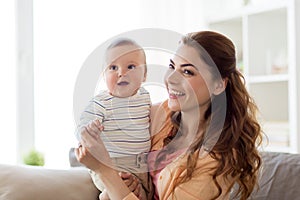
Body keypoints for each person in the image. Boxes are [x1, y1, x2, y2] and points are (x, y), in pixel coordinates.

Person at [76, 30, 262, 200]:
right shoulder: (162, 115)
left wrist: (104, 170)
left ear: (218, 85)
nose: (171, 79)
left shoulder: (217, 159)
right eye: (172, 66)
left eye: (187, 72)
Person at [76, 38, 152, 199]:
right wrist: (90, 129)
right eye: (113, 67)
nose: (121, 73)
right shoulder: (102, 102)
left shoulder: (145, 97)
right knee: (113, 192)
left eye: (131, 66)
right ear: (104, 75)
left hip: (141, 166)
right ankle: (106, 196)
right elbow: (81, 128)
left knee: (144, 195)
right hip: (112, 164)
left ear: (145, 75)